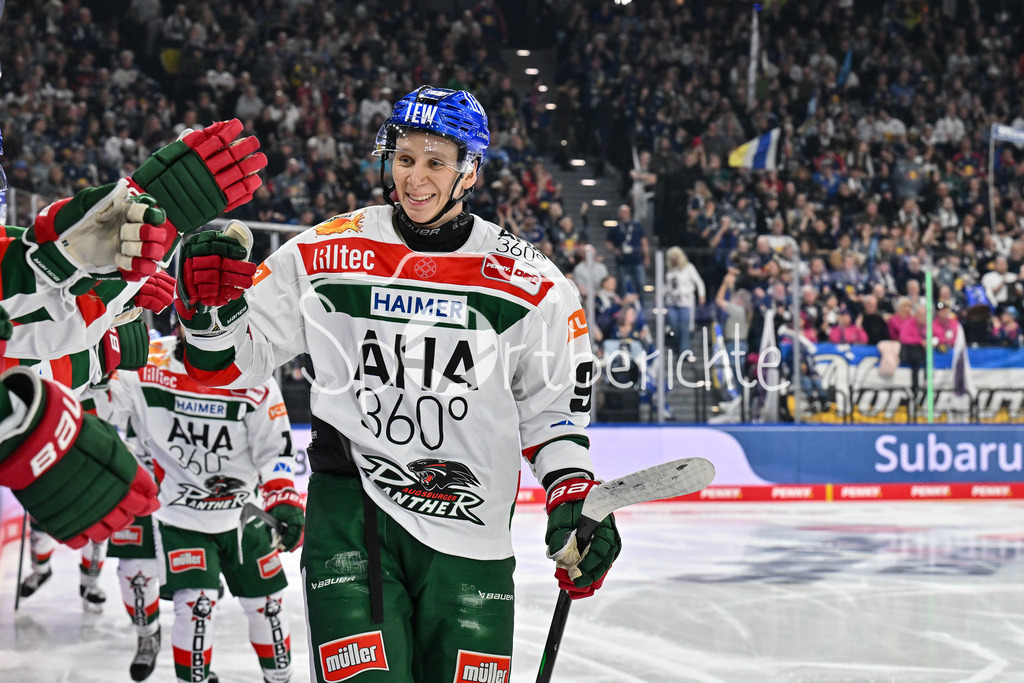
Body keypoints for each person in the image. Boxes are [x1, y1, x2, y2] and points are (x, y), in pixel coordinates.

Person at [174, 85, 622, 682]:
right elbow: (235, 361)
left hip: (472, 533)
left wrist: (571, 492)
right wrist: (206, 315)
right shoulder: (324, 251)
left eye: (436, 163)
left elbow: (553, 415)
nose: (415, 178)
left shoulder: (532, 282)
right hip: (352, 516)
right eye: (405, 159)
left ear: (470, 171)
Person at [107, 328, 302, 683]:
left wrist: (284, 497)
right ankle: (167, 654)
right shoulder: (147, 362)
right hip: (178, 517)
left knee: (269, 607)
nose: (207, 333)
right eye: (195, 320)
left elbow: (275, 448)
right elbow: (104, 409)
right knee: (194, 608)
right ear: (178, 321)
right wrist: (93, 356)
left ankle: (280, 679)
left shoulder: (254, 373)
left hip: (242, 515)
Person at [663, 246, 705, 356]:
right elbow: (666, 286)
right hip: (672, 302)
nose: (674, 259)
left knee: (685, 327)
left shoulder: (689, 268)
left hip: (685, 302)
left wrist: (701, 295)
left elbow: (698, 281)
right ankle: (678, 345)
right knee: (673, 325)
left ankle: (684, 351)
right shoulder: (670, 271)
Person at [605, 203, 650, 305]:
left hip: (637, 260)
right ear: (619, 214)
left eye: (626, 212)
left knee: (641, 284)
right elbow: (608, 243)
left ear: (630, 213)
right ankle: (623, 307)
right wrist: (614, 250)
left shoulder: (637, 226)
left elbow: (644, 241)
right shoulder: (615, 228)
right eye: (622, 212)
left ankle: (640, 308)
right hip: (622, 262)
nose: (624, 214)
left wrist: (646, 257)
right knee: (622, 286)